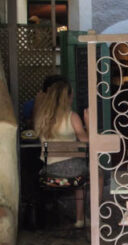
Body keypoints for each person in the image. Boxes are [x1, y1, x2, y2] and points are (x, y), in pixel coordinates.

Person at [33, 77, 88, 227]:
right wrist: (88, 123)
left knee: (81, 176)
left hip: (50, 172)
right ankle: (82, 219)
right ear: (68, 97)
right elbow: (86, 141)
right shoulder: (72, 117)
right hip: (74, 173)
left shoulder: (41, 116)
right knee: (96, 175)